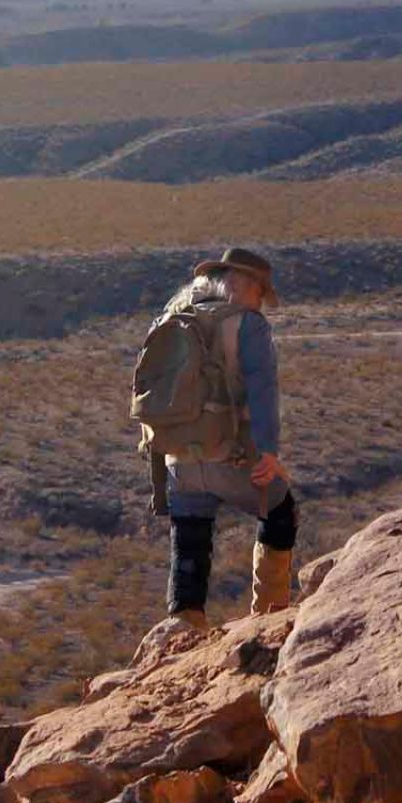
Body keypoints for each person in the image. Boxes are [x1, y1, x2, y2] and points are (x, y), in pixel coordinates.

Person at [153, 247, 296, 629]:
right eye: (260, 292)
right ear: (245, 285)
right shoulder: (247, 324)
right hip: (228, 454)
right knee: (280, 509)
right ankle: (268, 615)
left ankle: (184, 624)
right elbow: (263, 390)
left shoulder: (174, 314)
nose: (261, 301)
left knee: (190, 538)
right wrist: (267, 452)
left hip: (178, 456)